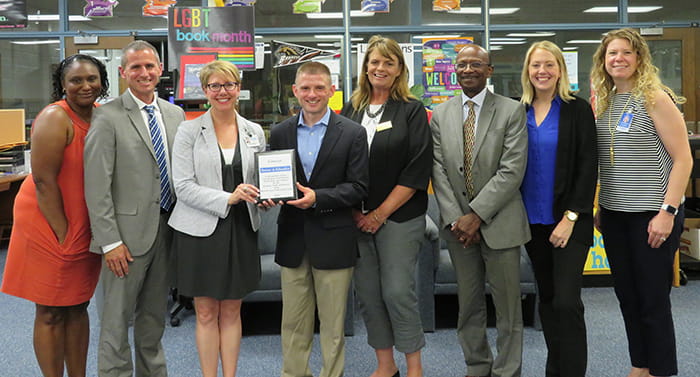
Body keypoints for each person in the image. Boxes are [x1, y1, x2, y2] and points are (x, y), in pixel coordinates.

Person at [591, 28, 692, 377]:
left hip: (653, 214)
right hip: (615, 215)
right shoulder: (603, 102)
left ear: (639, 58)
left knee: (653, 300)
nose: (618, 59)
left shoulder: (654, 98)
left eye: (626, 53)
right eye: (611, 54)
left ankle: (662, 370)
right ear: (603, 62)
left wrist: (668, 211)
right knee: (628, 298)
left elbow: (683, 159)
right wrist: (602, 206)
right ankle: (641, 365)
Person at [0, 54, 107, 377]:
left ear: (102, 81)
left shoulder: (102, 116)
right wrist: (64, 233)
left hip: (83, 222)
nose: (85, 86)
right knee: (49, 310)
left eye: (91, 78)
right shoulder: (54, 118)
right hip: (48, 221)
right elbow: (44, 182)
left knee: (77, 305)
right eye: (75, 80)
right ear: (62, 85)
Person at [84, 40, 186, 377]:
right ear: (123, 72)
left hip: (167, 230)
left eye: (149, 66)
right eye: (136, 68)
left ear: (160, 70)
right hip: (124, 241)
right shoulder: (107, 117)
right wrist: (109, 241)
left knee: (153, 318)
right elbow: (97, 186)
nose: (144, 73)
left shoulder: (175, 114)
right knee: (116, 323)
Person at [430, 44, 529, 377]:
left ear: (489, 70)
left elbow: (512, 170)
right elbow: (439, 170)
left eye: (475, 64)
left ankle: (506, 371)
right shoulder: (441, 114)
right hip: (459, 229)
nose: (467, 70)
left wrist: (476, 215)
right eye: (461, 65)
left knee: (508, 309)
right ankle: (477, 365)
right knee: (468, 305)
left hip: (500, 223)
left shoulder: (511, 110)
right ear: (454, 71)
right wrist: (457, 219)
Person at [268, 61, 369, 377]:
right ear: (295, 91)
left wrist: (318, 198)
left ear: (332, 91)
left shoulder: (352, 133)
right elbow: (274, 177)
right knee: (293, 321)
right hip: (293, 238)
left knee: (333, 324)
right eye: (306, 88)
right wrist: (268, 194)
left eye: (319, 88)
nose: (312, 94)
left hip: (334, 238)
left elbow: (359, 188)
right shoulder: (280, 131)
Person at [340, 35, 432, 377]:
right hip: (355, 217)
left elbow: (417, 169)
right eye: (374, 62)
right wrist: (355, 212)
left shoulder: (411, 110)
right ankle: (385, 365)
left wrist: (378, 214)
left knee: (396, 292)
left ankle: (414, 367)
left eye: (388, 63)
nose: (380, 68)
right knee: (368, 293)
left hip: (399, 218)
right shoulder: (351, 109)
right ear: (365, 67)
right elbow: (339, 162)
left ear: (399, 70)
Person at [167, 60, 265, 377]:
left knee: (233, 309)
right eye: (215, 86)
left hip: (241, 229)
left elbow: (260, 180)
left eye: (229, 85)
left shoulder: (254, 131)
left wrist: (263, 196)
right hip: (199, 231)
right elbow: (181, 186)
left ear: (239, 88)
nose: (222, 92)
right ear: (205, 90)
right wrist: (229, 198)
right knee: (207, 312)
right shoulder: (189, 131)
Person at [519, 41, 597, 377]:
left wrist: (571, 217)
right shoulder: (517, 110)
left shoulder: (576, 109)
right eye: (536, 65)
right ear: (528, 71)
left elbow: (587, 166)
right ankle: (556, 369)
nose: (542, 71)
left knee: (567, 301)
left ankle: (574, 371)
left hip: (570, 222)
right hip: (531, 222)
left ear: (560, 70)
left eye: (549, 65)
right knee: (548, 301)